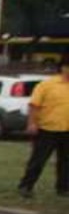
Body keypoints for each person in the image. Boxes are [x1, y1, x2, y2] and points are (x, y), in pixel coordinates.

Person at [17, 61, 69, 199]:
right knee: (38, 160)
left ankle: (63, 188)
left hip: (67, 129)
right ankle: (26, 186)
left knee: (65, 162)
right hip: (47, 129)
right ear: (64, 68)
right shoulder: (47, 85)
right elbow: (34, 105)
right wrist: (32, 123)